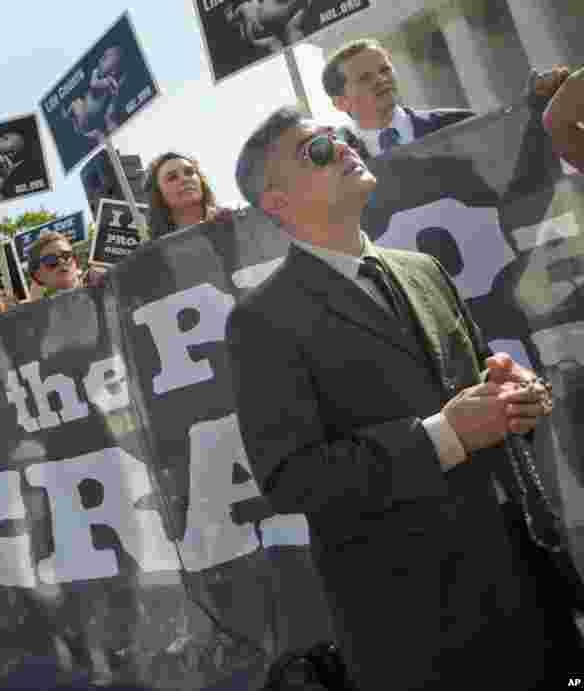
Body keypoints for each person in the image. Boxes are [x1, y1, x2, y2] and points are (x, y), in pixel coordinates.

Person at [228, 106, 574, 689]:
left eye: (338, 136)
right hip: (420, 628)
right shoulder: (262, 320)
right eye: (315, 149)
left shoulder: (423, 269)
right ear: (276, 203)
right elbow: (291, 477)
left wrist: (519, 398)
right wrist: (444, 436)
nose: (341, 147)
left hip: (529, 586)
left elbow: (487, 392)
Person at [321, 38, 476, 157]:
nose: (381, 79)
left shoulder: (461, 123)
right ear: (341, 102)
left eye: (385, 70)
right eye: (365, 78)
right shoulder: (341, 162)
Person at [145, 151, 233, 238]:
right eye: (172, 177)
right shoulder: (157, 249)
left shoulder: (235, 219)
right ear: (158, 194)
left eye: (189, 172)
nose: (184, 179)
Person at [63, 46, 124, 146]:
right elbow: (93, 84)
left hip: (93, 122)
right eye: (101, 57)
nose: (100, 60)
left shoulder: (112, 82)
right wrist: (103, 83)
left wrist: (115, 92)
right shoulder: (95, 72)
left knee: (101, 131)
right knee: (77, 102)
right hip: (83, 113)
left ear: (114, 71)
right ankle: (68, 116)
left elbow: (112, 100)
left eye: (104, 58)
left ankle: (106, 139)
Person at [27, 231, 104, 298]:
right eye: (50, 259)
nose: (61, 261)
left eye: (66, 255)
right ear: (38, 275)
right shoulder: (46, 311)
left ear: (75, 261)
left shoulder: (99, 277)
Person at [224, 0, 309, 55]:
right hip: (258, 33)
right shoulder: (244, 7)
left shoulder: (250, 5)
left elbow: (231, 18)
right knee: (274, 42)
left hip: (268, 29)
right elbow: (231, 19)